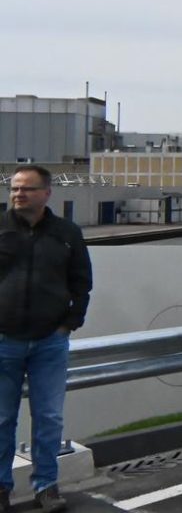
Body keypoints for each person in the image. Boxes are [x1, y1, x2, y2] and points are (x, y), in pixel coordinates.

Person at [0, 165, 92, 512]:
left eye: (26, 188)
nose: (18, 194)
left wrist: (69, 323)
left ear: (46, 193)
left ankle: (46, 486)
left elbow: (81, 282)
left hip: (49, 342)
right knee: (1, 419)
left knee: (49, 418)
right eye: (14, 188)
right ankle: (1, 488)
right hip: (4, 340)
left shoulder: (66, 233)